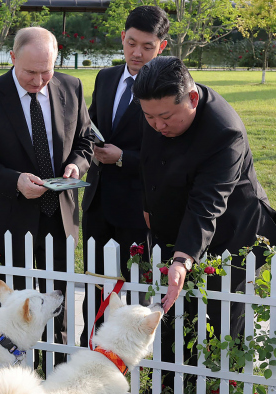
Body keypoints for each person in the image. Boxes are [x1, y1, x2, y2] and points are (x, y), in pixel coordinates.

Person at [132, 56, 276, 371]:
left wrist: (182, 258)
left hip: (232, 234)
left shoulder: (224, 131)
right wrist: (149, 206)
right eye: (149, 118)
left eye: (165, 117)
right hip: (181, 228)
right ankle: (177, 390)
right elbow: (149, 161)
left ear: (192, 99)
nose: (158, 126)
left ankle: (227, 389)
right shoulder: (156, 108)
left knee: (224, 321)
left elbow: (208, 202)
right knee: (176, 316)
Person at [0, 27, 93, 366]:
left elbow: (84, 141)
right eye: (30, 72)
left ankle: (56, 371)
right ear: (12, 58)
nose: (38, 80)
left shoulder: (71, 87)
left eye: (45, 71)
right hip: (11, 218)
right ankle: (15, 372)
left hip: (60, 216)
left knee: (57, 301)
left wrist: (76, 166)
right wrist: (15, 180)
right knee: (15, 305)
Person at [80, 6, 169, 348]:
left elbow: (168, 152)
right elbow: (90, 125)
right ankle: (93, 349)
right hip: (98, 201)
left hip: (139, 205)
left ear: (161, 46)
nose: (136, 52)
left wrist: (123, 159)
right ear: (123, 38)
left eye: (147, 46)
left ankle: (132, 358)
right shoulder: (105, 77)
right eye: (131, 42)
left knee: (134, 291)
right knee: (96, 285)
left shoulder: (167, 85)